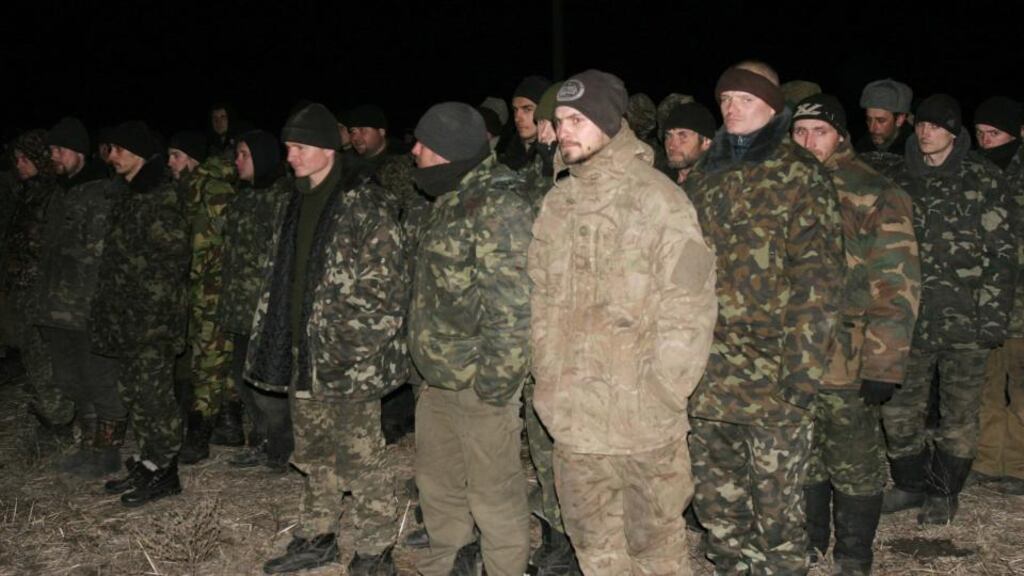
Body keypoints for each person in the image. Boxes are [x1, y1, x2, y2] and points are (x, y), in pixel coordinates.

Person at [530, 68, 717, 575]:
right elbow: (541, 301)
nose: (564, 131)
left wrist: (663, 391)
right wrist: (548, 377)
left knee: (655, 553)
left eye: (577, 120)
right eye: (560, 121)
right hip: (574, 423)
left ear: (610, 123)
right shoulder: (558, 204)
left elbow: (691, 307)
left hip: (643, 425)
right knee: (595, 551)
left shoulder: (659, 201)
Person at [685, 61, 844, 574]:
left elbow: (818, 283)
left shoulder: (800, 175)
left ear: (772, 107)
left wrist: (801, 374)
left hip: (773, 375)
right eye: (725, 98)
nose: (732, 107)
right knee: (718, 505)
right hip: (709, 373)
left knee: (777, 512)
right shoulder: (704, 176)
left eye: (745, 99)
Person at [247, 103, 407, 575]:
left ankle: (375, 549)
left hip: (347, 358)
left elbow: (385, 292)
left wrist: (344, 349)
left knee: (361, 458)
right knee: (314, 452)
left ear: (325, 149)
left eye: (299, 147)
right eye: (288, 147)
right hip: (303, 352)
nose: (290, 157)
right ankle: (318, 535)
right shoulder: (294, 201)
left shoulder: (366, 204)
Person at [790, 94, 920, 574]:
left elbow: (898, 284)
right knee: (803, 455)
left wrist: (884, 362)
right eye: (799, 132)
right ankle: (809, 540)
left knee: (854, 460)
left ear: (841, 135)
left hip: (849, 353)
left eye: (819, 132)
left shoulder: (874, 192)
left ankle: (853, 554)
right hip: (794, 354)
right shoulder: (783, 186)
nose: (807, 142)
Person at [408, 102, 533, 576]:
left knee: (493, 496)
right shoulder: (450, 199)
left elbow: (513, 309)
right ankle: (448, 565)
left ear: (446, 149)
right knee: (438, 488)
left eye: (422, 143)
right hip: (438, 379)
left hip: (480, 386)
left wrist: (494, 388)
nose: (413, 150)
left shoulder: (497, 205)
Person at [880, 94, 1015, 524]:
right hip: (908, 320)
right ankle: (909, 485)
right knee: (898, 411)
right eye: (921, 124)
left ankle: (943, 492)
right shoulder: (897, 177)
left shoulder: (982, 179)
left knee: (959, 414)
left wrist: (992, 319)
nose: (926, 132)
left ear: (954, 133)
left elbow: (1002, 255)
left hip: (966, 321)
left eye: (936, 126)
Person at [92, 121, 191, 507]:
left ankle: (166, 470)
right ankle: (150, 462)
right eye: (110, 149)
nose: (112, 157)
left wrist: (147, 315)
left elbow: (171, 263)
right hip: (125, 317)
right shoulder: (127, 194)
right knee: (134, 393)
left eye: (119, 149)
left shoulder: (161, 195)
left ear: (139, 152)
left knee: (154, 396)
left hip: (152, 321)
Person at [35, 117, 128, 477]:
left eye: (59, 149)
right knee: (69, 379)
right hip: (57, 309)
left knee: (100, 380)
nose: (53, 156)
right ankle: (90, 445)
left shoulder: (101, 193)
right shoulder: (59, 194)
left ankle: (108, 452)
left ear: (78, 152)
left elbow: (101, 252)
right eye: (51, 149)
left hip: (88, 307)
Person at [220, 129, 293, 472]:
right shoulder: (242, 197)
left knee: (269, 385)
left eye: (244, 154)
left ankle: (282, 445)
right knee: (243, 380)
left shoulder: (283, 197)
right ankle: (261, 439)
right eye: (236, 154)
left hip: (267, 309)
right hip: (239, 307)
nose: (236, 161)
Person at [972, 96, 1024, 494]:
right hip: (984, 303)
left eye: (995, 134)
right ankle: (988, 461)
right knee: (986, 385)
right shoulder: (973, 173)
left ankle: (1020, 467)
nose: (987, 141)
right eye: (980, 133)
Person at [659, 102, 716, 185]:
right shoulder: (659, 177)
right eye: (668, 136)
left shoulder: (721, 184)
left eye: (683, 136)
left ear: (706, 142)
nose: (671, 145)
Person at [854, 79, 914, 154]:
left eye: (881, 121)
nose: (872, 128)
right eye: (869, 120)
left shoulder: (915, 151)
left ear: (899, 120)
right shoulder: (861, 148)